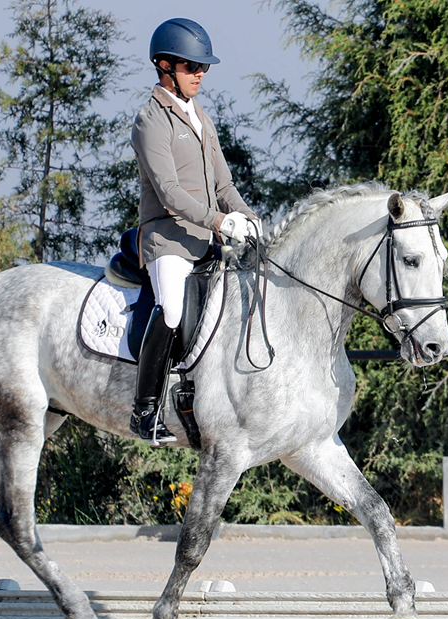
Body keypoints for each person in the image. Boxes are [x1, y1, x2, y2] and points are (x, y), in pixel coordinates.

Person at [129, 17, 259, 444]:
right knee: (171, 311)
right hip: (168, 238)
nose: (200, 74)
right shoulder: (151, 121)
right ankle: (144, 411)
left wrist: (248, 217)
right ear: (164, 66)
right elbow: (167, 191)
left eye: (203, 68)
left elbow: (224, 186)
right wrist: (221, 221)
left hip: (206, 239)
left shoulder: (200, 117)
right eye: (191, 67)